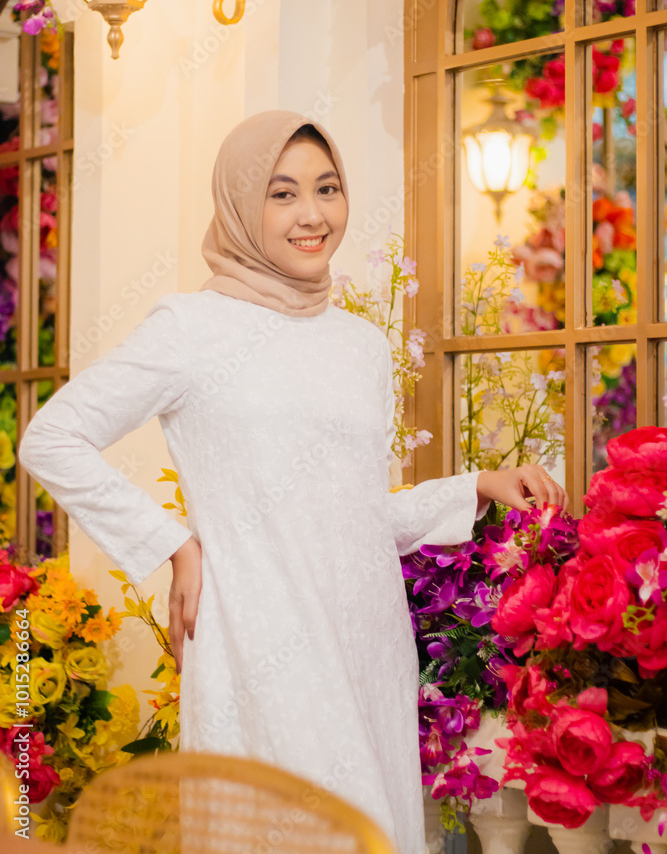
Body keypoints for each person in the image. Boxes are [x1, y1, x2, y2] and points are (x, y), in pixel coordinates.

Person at [18, 110, 567, 854]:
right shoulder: (190, 328)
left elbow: (352, 516)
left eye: (327, 188)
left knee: (375, 834)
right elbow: (52, 437)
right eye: (281, 194)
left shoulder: (361, 346)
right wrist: (174, 544)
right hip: (258, 641)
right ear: (242, 205)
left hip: (366, 643)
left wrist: (474, 486)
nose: (312, 215)